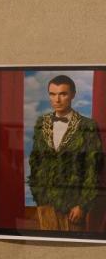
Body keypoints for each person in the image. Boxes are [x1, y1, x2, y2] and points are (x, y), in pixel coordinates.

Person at [28, 74, 103, 231]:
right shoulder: (41, 123)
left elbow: (93, 169)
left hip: (73, 207)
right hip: (45, 204)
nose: (57, 99)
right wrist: (39, 196)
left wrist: (82, 205)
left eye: (63, 94)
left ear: (73, 95)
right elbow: (35, 161)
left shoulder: (88, 126)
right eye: (53, 94)